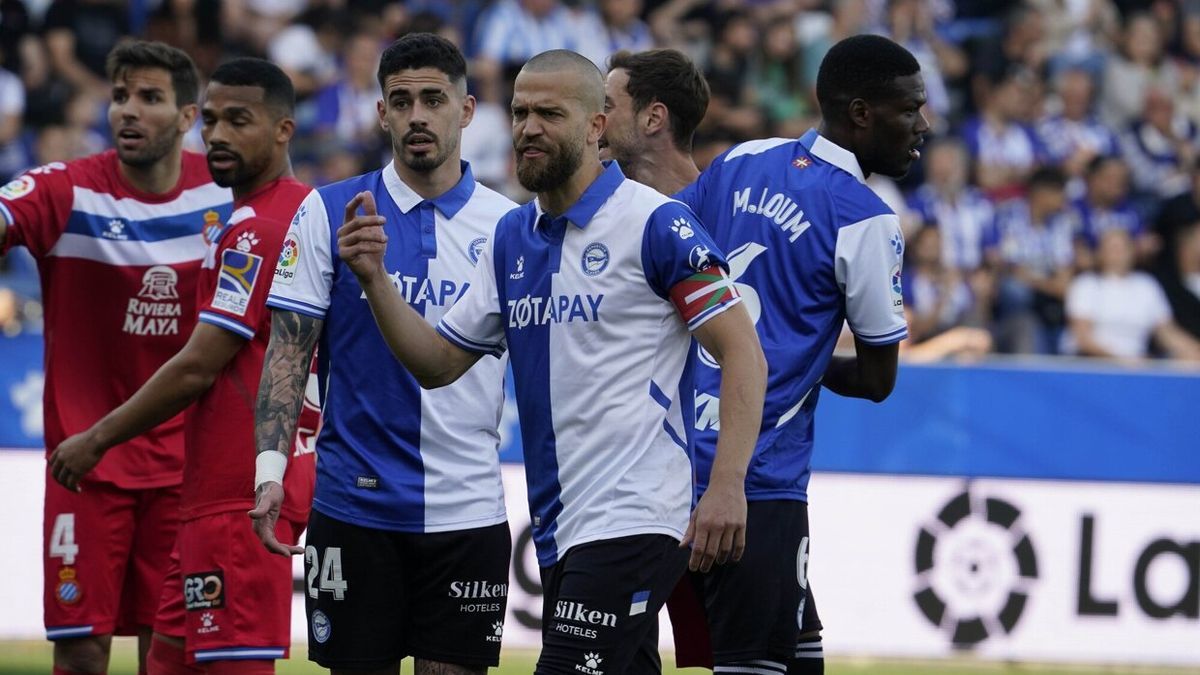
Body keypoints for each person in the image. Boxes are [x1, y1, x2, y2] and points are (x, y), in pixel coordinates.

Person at [337, 48, 766, 674]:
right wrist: (375, 280)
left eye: (550, 114)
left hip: (635, 513)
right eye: (520, 113)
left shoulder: (657, 224)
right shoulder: (512, 237)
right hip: (561, 525)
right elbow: (437, 363)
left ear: (596, 126)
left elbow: (742, 350)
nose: (528, 129)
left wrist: (727, 485)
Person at [249, 33, 516, 675]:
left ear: (467, 110)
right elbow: (288, 353)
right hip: (353, 506)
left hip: (468, 509)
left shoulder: (509, 226)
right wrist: (269, 471)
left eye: (433, 100)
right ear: (382, 114)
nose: (417, 115)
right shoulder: (328, 211)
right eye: (401, 101)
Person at [46, 57, 316, 674]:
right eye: (212, 120)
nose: (217, 135)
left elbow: (199, 366)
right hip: (215, 492)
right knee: (166, 662)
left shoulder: (260, 227)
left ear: (283, 130)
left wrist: (96, 439)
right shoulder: (278, 212)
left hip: (237, 497)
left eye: (238, 121)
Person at [674, 34, 927, 674]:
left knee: (800, 650)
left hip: (672, 464)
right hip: (757, 482)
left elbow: (664, 251)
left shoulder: (741, 160)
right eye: (909, 109)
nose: (922, 125)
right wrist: (811, 366)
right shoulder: (866, 218)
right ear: (861, 113)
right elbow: (877, 380)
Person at [0, 41, 231, 675]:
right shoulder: (67, 189)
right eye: (121, 96)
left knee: (167, 654)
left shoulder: (222, 198)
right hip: (85, 465)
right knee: (80, 652)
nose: (128, 110)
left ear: (187, 117)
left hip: (186, 470)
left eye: (150, 98)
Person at [1066, 228, 1200, 362]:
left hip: (1138, 364)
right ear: (1100, 253)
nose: (1118, 254)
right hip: (1094, 364)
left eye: (1123, 248)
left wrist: (1194, 350)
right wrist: (1121, 359)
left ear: (1132, 251)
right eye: (1113, 249)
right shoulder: (1086, 284)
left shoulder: (1146, 285)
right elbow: (1083, 337)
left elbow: (1167, 332)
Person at [600, 48, 708, 195]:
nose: (595, 121)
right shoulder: (603, 203)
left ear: (653, 119)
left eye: (606, 107)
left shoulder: (723, 204)